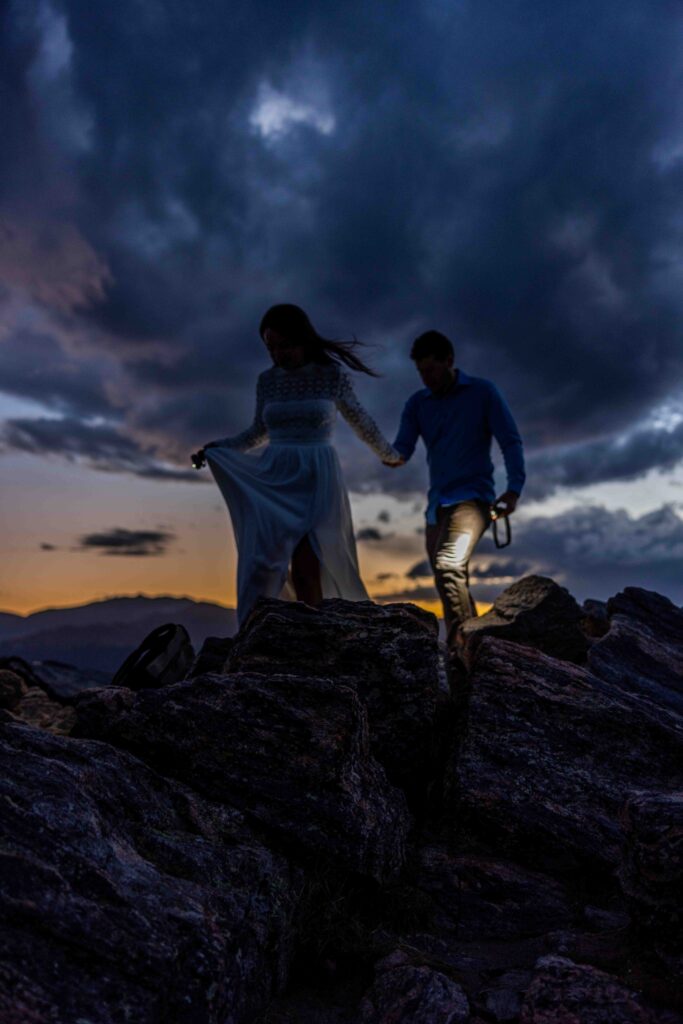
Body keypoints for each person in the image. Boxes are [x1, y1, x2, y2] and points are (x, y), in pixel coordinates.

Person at [196, 304, 402, 625]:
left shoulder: (330, 376)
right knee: (263, 564)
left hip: (317, 476)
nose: (278, 354)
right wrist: (217, 449)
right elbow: (257, 431)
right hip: (275, 476)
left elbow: (360, 419)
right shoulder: (267, 381)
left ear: (303, 340)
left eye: (285, 346)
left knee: (308, 565)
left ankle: (315, 641)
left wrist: (389, 454)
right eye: (271, 348)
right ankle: (258, 638)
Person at [389, 330, 525, 641]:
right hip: (437, 507)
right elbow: (402, 449)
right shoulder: (417, 404)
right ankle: (462, 652)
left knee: (447, 563)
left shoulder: (483, 393)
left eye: (431, 370)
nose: (427, 378)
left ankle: (469, 647)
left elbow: (511, 441)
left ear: (449, 360)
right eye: (421, 372)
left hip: (474, 500)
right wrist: (386, 453)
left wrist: (514, 489)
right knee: (448, 577)